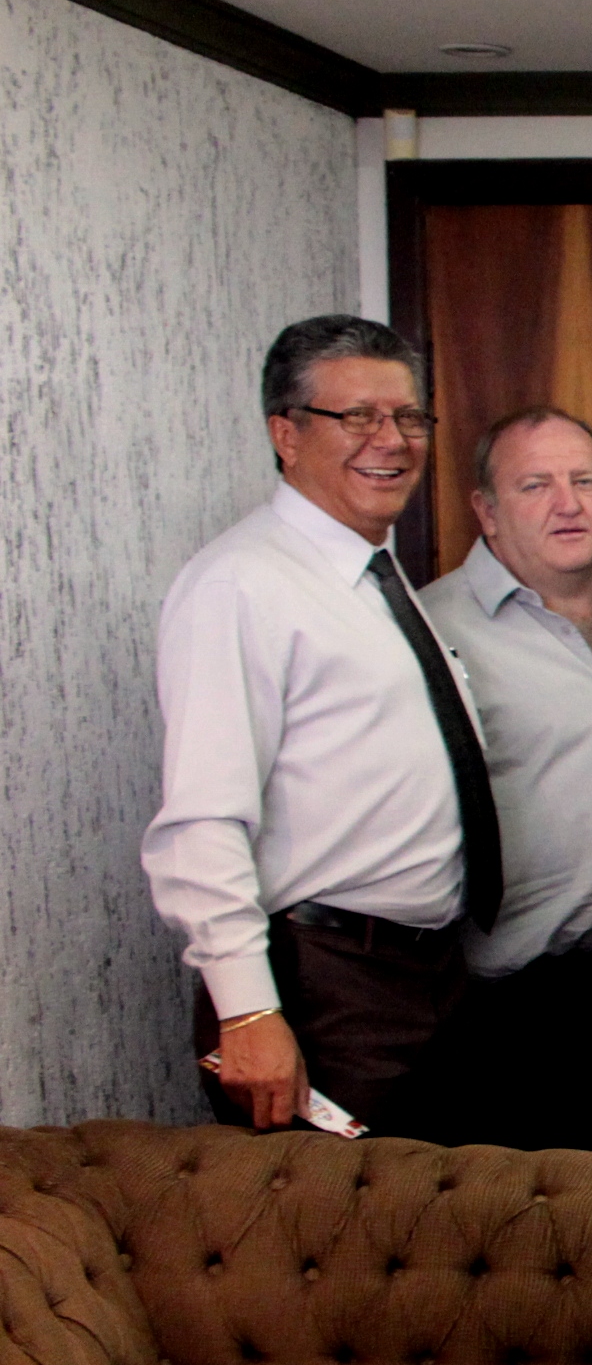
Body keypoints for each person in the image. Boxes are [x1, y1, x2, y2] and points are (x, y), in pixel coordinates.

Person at [144, 314, 499, 1140]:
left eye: (409, 417)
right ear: (286, 433)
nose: (393, 439)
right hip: (324, 986)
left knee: (430, 1244)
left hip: (428, 974)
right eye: (358, 417)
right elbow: (202, 820)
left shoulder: (371, 571)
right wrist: (248, 1014)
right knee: (341, 1245)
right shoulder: (240, 585)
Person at [418, 406, 592, 1160]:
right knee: (549, 1254)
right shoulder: (430, 630)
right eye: (535, 485)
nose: (567, 504)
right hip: (520, 1011)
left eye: (583, 480)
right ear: (486, 510)